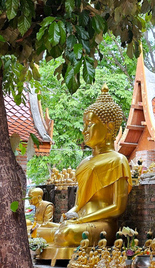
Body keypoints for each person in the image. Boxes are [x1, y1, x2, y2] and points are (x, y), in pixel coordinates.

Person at [42, 85, 132, 260]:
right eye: (84, 125)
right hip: (80, 221)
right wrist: (71, 214)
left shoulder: (118, 160)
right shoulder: (84, 163)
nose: (84, 130)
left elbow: (117, 208)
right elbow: (79, 204)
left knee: (66, 234)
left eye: (89, 125)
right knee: (40, 229)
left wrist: (83, 220)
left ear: (109, 127)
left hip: (103, 225)